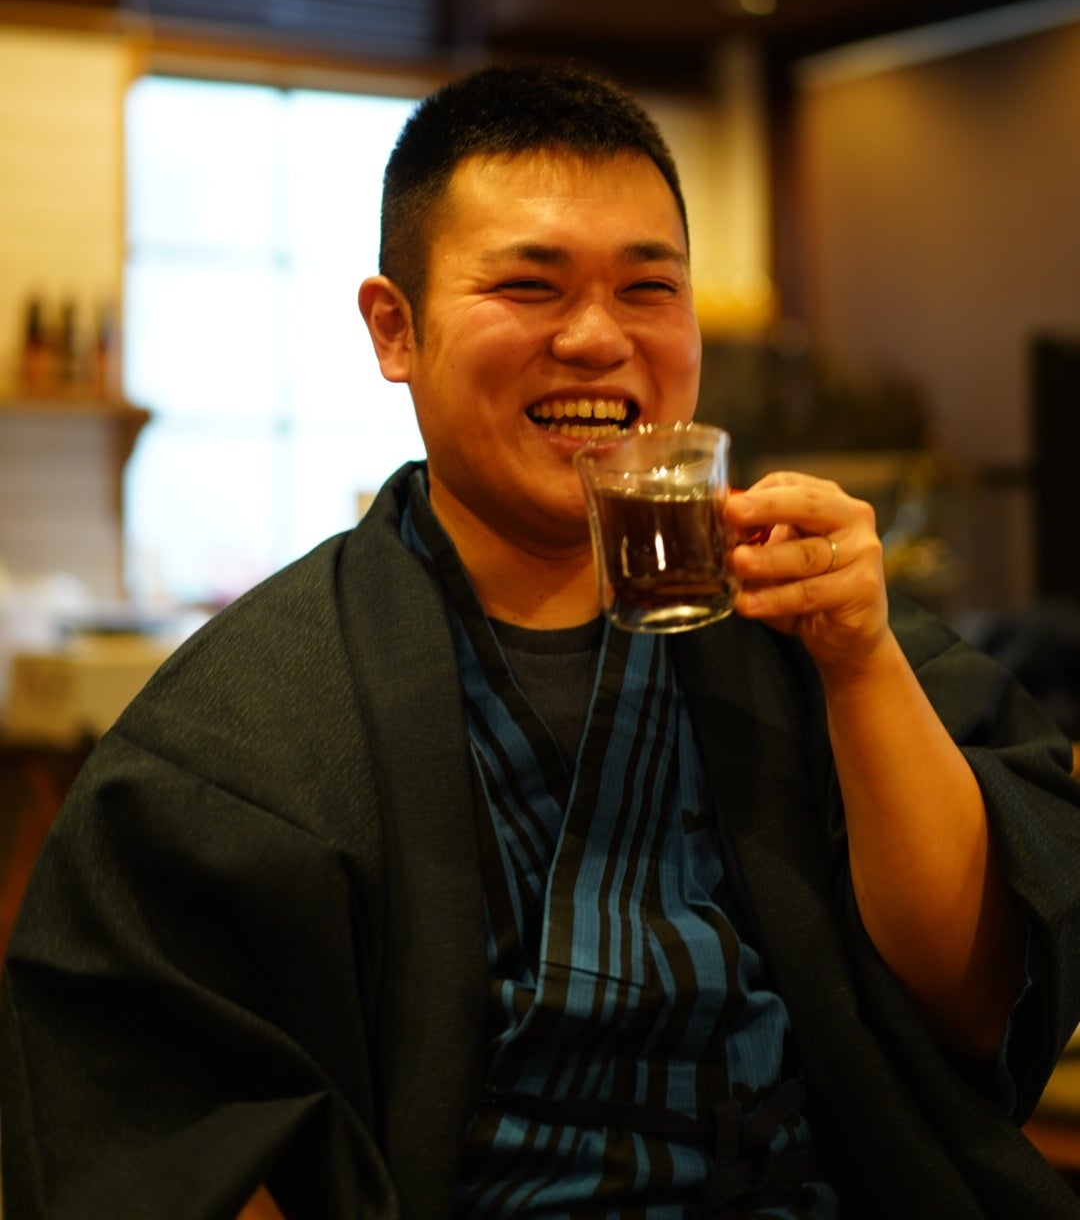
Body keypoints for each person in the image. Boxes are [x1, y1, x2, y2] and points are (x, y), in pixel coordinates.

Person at [3, 62, 1080, 1220]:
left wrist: (862, 664)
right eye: (529, 284)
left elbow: (979, 999)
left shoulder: (815, 634)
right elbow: (147, 1134)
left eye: (649, 287)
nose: (597, 337)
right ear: (395, 327)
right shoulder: (247, 721)